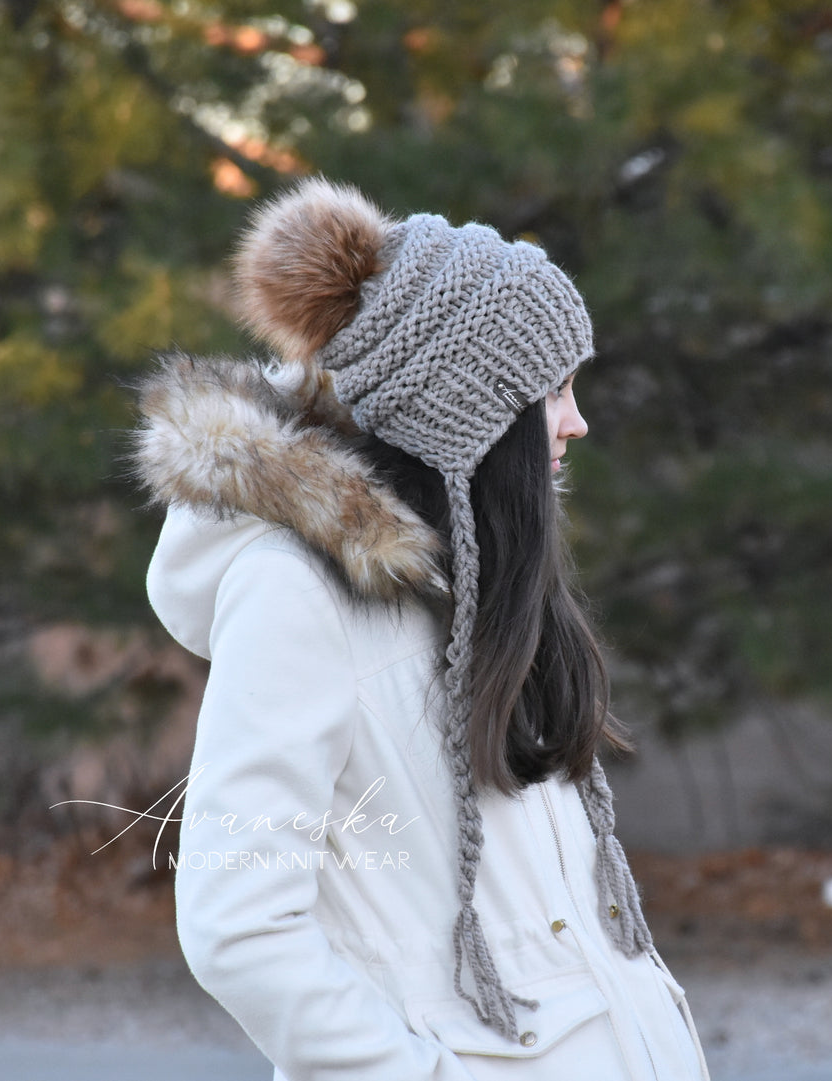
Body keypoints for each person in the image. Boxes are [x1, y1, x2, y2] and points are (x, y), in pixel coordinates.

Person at [133, 178, 710, 1081]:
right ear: (466, 413)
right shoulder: (297, 595)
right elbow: (237, 924)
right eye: (553, 390)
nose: (577, 421)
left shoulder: (477, 590)